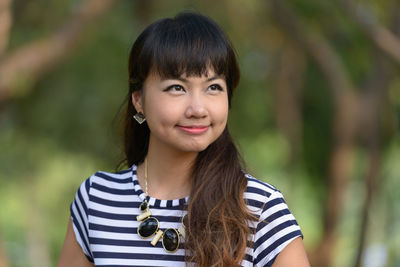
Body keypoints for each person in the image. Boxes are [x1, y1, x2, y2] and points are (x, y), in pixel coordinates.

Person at [57, 11, 310, 267]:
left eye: (213, 87)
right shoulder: (97, 199)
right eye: (177, 88)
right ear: (139, 100)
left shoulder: (260, 209)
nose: (198, 109)